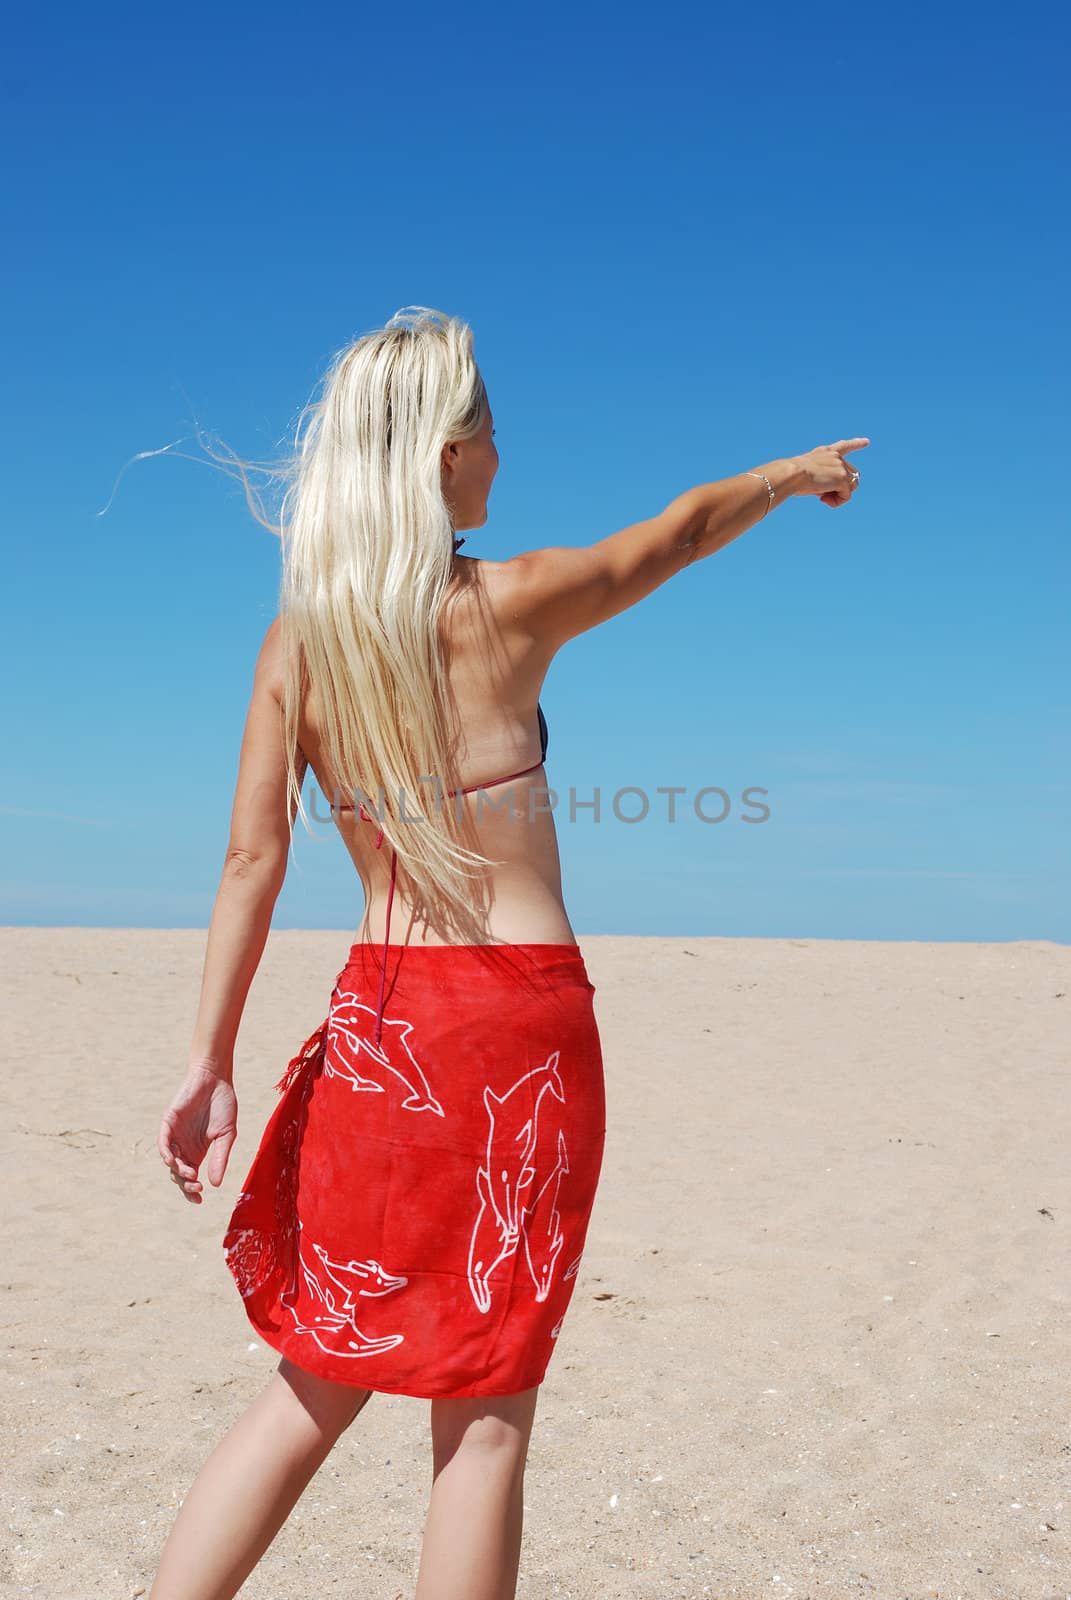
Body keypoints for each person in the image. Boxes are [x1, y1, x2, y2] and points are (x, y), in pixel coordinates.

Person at [150, 304, 868, 1600]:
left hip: (381, 1032)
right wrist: (789, 472)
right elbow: (679, 534)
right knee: (482, 1422)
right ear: (442, 454)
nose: (501, 448)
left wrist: (207, 1059)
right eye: (488, 424)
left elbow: (251, 861)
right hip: (515, 1030)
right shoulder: (514, 603)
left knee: (314, 1387)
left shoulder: (299, 646)